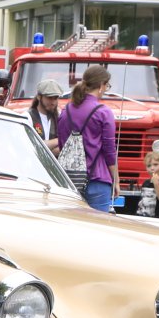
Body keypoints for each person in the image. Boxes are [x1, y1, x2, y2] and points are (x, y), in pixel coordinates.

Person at [56, 65, 118, 212]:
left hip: (71, 180)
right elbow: (109, 151)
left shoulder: (66, 111)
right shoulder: (103, 112)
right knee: (97, 224)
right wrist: (116, 179)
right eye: (107, 86)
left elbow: (62, 144)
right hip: (97, 180)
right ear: (101, 85)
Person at [27, 79, 64, 152]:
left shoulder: (59, 117)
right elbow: (31, 146)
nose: (53, 102)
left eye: (55, 98)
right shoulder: (28, 117)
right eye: (49, 98)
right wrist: (58, 141)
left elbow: (65, 147)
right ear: (39, 97)